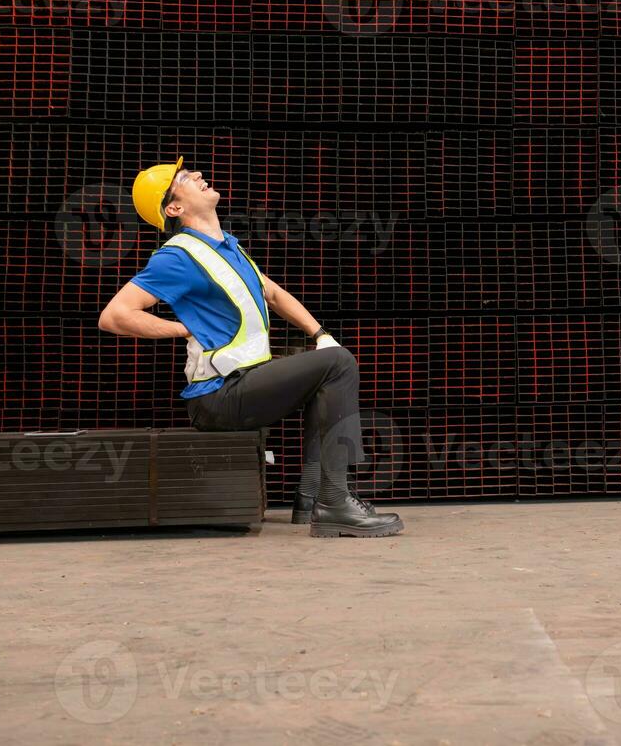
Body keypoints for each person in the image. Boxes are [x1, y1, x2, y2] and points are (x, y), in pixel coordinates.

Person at [98, 156, 404, 538]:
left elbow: (273, 294)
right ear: (174, 208)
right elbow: (114, 316)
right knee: (337, 364)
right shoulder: (177, 256)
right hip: (219, 397)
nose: (196, 175)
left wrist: (320, 334)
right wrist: (182, 329)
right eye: (183, 179)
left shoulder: (228, 249)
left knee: (326, 364)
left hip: (245, 384)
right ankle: (334, 504)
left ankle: (311, 498)